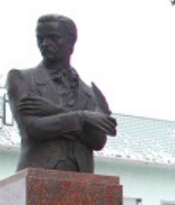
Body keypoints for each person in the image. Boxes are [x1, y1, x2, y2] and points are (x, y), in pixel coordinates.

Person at [7, 14, 117, 173]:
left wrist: (54, 111)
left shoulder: (89, 93)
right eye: (40, 38)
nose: (45, 43)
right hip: (37, 176)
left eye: (53, 38)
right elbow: (32, 128)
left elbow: (98, 141)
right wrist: (82, 118)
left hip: (81, 179)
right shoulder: (21, 78)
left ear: (72, 42)